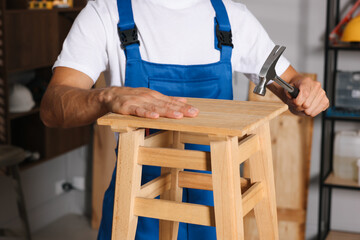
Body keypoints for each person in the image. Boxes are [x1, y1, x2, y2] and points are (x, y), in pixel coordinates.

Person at [40, 0, 329, 239]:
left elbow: (291, 82)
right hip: (138, 198)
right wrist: (107, 97)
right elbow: (53, 108)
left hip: (218, 203)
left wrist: (305, 90)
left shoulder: (231, 16)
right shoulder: (105, 13)